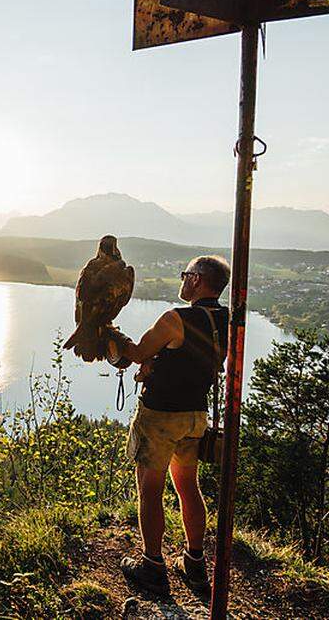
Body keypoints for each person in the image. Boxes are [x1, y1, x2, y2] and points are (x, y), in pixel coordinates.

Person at [108, 255, 230, 595]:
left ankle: (153, 566)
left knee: (149, 490)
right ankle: (194, 564)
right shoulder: (225, 319)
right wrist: (158, 363)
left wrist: (108, 333)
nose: (182, 279)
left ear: (197, 280)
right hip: (195, 417)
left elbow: (133, 352)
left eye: (186, 274)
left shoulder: (175, 318)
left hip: (160, 417)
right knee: (188, 487)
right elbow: (193, 360)